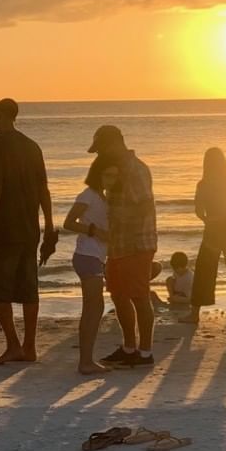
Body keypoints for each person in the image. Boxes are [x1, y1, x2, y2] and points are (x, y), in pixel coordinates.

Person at [0, 98, 56, 365]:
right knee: (27, 285)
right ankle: (29, 346)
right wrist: (48, 225)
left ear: (2, 115)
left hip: (4, 227)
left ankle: (13, 344)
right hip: (29, 227)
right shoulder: (32, 146)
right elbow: (44, 189)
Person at [90, 124, 157, 368]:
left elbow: (144, 207)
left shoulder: (136, 170)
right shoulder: (115, 170)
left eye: (100, 150)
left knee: (140, 297)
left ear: (113, 145)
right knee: (118, 296)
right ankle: (129, 347)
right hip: (117, 244)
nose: (99, 155)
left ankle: (146, 352)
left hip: (138, 242)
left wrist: (116, 217)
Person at [62, 159, 115, 376]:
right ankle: (85, 362)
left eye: (115, 175)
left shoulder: (104, 196)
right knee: (92, 309)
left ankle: (87, 360)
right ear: (98, 175)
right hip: (87, 255)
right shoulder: (89, 195)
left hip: (96, 256)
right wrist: (94, 231)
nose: (113, 179)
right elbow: (68, 222)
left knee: (95, 308)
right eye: (109, 175)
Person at [186, 148, 226, 325]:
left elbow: (198, 210)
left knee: (204, 271)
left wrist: (208, 220)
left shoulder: (204, 184)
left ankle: (195, 313)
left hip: (213, 230)